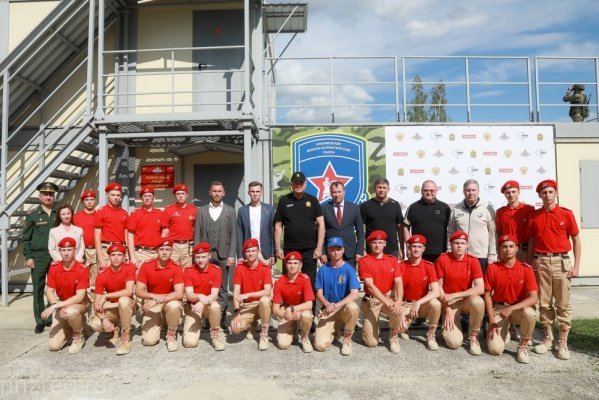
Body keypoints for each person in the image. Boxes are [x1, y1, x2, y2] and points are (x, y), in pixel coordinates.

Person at [528, 179, 581, 360]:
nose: (547, 195)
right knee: (544, 303)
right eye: (544, 193)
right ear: (540, 195)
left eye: (551, 192)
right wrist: (530, 264)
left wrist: (576, 266)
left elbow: (576, 240)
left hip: (560, 261)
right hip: (540, 261)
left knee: (563, 304)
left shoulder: (566, 214)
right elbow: (532, 241)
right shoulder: (535, 216)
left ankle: (563, 342)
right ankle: (548, 338)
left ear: (556, 193)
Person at [484, 234, 538, 364]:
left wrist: (512, 308)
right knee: (495, 350)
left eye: (511, 246)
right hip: (499, 310)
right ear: (500, 249)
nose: (508, 249)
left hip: (518, 309)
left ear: (517, 248)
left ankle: (522, 346)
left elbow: (534, 298)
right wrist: (491, 320)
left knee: (530, 313)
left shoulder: (526, 269)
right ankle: (505, 330)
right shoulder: (493, 268)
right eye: (504, 247)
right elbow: (487, 295)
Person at [194, 181, 237, 330]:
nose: (217, 193)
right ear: (209, 193)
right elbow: (197, 233)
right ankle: (207, 317)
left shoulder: (230, 211)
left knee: (223, 287)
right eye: (214, 191)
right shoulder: (202, 211)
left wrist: (231, 255)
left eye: (219, 191)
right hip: (205, 255)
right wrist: (197, 254)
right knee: (206, 285)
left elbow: (233, 235)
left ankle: (222, 316)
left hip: (223, 254)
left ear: (223, 193)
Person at [435, 231, 485, 355]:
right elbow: (438, 288)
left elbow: (480, 288)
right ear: (451, 244)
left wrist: (456, 294)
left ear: (467, 245)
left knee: (478, 301)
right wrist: (447, 310)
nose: (459, 246)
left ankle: (473, 337)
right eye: (456, 243)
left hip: (465, 300)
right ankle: (453, 327)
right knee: (454, 343)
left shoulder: (473, 261)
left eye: (462, 243)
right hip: (449, 303)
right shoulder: (443, 259)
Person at [358, 230, 407, 354]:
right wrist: (388, 302)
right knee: (371, 343)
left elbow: (399, 282)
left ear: (385, 244)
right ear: (370, 244)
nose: (377, 245)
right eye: (374, 242)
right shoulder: (364, 261)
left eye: (380, 242)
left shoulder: (392, 260)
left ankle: (393, 336)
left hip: (388, 296)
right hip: (372, 300)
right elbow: (370, 286)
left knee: (397, 310)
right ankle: (371, 326)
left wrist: (398, 302)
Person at [274, 171, 325, 287]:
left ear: (305, 184)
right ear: (291, 185)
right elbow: (278, 225)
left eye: (301, 183)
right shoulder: (284, 201)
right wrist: (278, 248)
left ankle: (309, 300)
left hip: (310, 250)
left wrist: (319, 248)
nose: (298, 185)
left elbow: (321, 225)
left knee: (309, 282)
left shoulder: (313, 200)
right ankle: (288, 300)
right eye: (295, 183)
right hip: (290, 249)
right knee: (288, 282)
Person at [41, 237, 90, 353]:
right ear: (59, 251)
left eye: (69, 249)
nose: (66, 253)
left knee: (71, 311)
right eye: (63, 250)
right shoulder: (54, 267)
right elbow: (49, 291)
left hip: (80, 303)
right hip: (61, 303)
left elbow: (79, 296)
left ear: (75, 250)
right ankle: (72, 328)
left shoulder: (82, 269)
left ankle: (79, 335)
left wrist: (55, 306)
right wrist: (57, 305)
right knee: (53, 346)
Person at [313, 237, 360, 356]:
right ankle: (334, 330)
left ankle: (347, 339)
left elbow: (354, 294)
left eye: (338, 249)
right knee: (319, 346)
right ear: (328, 251)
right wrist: (327, 304)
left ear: (343, 250)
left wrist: (335, 305)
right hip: (328, 309)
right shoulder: (323, 270)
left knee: (353, 307)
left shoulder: (349, 269)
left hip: (343, 308)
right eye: (332, 249)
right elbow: (319, 293)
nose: (335, 252)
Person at [135, 239, 184, 352]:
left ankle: (171, 334)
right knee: (148, 341)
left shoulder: (176, 267)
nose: (164, 252)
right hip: (153, 302)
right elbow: (138, 291)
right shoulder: (147, 265)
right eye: (161, 249)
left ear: (171, 251)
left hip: (169, 301)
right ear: (157, 251)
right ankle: (162, 321)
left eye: (167, 249)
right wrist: (153, 297)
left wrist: (157, 300)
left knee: (174, 306)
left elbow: (179, 293)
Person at [23, 181, 58, 334]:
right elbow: (26, 238)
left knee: (54, 288)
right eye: (45, 194)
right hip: (39, 256)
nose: (48, 197)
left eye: (51, 194)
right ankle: (40, 321)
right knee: (38, 288)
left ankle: (51, 317)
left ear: (54, 196)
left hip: (56, 255)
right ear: (40, 197)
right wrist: (28, 257)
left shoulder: (59, 213)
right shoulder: (32, 216)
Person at [88, 244, 136, 355]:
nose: (116, 258)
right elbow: (96, 304)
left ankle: (126, 337)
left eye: (119, 255)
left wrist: (106, 296)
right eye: (113, 255)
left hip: (128, 305)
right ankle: (114, 329)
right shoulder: (102, 275)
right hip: (113, 306)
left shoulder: (129, 268)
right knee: (95, 323)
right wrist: (104, 319)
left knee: (123, 300)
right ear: (109, 257)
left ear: (124, 257)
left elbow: (129, 291)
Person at [398, 234, 442, 351]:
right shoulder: (401, 266)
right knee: (399, 327)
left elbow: (436, 291)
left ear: (423, 249)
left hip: (422, 304)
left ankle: (431, 335)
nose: (416, 249)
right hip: (405, 304)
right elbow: (395, 292)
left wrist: (418, 303)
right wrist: (400, 314)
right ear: (409, 248)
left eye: (419, 246)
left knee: (436, 304)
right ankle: (404, 328)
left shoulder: (429, 266)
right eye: (414, 246)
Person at [230, 239, 273, 351]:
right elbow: (236, 292)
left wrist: (248, 295)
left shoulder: (265, 268)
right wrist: (237, 312)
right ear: (245, 253)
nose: (251, 253)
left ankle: (264, 333)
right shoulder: (240, 268)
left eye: (253, 250)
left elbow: (267, 291)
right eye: (248, 251)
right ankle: (252, 324)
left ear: (258, 251)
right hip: (247, 306)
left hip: (260, 305)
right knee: (235, 328)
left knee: (265, 300)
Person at [182, 242, 225, 351]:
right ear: (194, 257)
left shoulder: (216, 270)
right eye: (198, 257)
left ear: (209, 256)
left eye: (203, 257)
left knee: (215, 306)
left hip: (207, 305)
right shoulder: (188, 271)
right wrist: (199, 296)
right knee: (190, 343)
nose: (200, 260)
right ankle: (196, 326)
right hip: (193, 307)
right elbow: (189, 295)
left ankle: (215, 334)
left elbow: (214, 295)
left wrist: (202, 302)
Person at [448, 179, 497, 273]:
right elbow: (451, 232)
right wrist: (450, 250)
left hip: (481, 256)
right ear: (463, 191)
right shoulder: (456, 209)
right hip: (460, 255)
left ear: (478, 191)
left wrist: (492, 255)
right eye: (468, 190)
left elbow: (493, 233)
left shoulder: (487, 208)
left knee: (481, 282)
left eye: (473, 190)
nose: (471, 193)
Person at [272, 251, 315, 353]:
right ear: (285, 265)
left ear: (301, 265)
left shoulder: (305, 279)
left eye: (295, 263)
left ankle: (304, 337)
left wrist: (292, 308)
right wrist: (288, 315)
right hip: (287, 311)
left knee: (306, 315)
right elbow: (275, 309)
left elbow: (309, 304)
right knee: (282, 344)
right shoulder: (279, 282)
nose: (292, 266)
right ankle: (293, 328)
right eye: (289, 263)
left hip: (301, 309)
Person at [402, 180, 450, 263]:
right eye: (426, 190)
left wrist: (449, 248)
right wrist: (408, 246)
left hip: (440, 252)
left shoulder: (445, 207)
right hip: (418, 252)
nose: (429, 193)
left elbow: (452, 229)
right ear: (421, 191)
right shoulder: (413, 207)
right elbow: (405, 227)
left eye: (432, 190)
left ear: (436, 191)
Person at [321, 181, 364, 268]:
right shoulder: (324, 208)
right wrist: (322, 252)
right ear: (330, 193)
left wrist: (359, 251)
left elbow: (360, 231)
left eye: (339, 192)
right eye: (334, 192)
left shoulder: (354, 208)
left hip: (350, 252)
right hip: (331, 252)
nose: (337, 195)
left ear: (344, 192)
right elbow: (319, 232)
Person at [360, 178, 404, 259]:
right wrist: (362, 248)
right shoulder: (366, 205)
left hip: (392, 249)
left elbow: (400, 229)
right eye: (379, 187)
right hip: (372, 249)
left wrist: (401, 248)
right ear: (374, 189)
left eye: (384, 187)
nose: (381, 190)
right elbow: (361, 229)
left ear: (388, 189)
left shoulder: (395, 205)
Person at [236, 181, 275, 266]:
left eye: (257, 191)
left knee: (266, 274)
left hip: (265, 253)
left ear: (261, 193)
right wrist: (239, 255)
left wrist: (272, 253)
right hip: (248, 252)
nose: (255, 194)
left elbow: (272, 232)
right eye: (252, 191)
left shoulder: (269, 209)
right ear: (248, 193)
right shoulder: (242, 211)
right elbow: (239, 234)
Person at [94, 182, 129, 271]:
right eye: (113, 195)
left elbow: (126, 235)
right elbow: (97, 236)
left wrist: (127, 254)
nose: (115, 197)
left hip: (121, 249)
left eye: (118, 195)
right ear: (107, 195)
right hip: (106, 250)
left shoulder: (124, 213)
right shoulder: (101, 212)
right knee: (104, 276)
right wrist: (100, 258)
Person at [126, 186, 163, 269]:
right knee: (140, 277)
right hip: (141, 254)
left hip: (157, 253)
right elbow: (130, 236)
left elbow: (164, 233)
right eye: (145, 196)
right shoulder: (135, 214)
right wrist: (132, 257)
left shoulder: (160, 213)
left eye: (149, 196)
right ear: (141, 198)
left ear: (154, 198)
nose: (147, 198)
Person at [161, 184, 197, 268]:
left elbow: (196, 229)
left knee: (187, 270)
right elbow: (165, 232)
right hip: (173, 245)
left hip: (188, 246)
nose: (180, 196)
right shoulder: (168, 210)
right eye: (178, 194)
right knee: (172, 269)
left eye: (183, 193)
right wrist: (164, 248)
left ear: (187, 195)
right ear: (175, 195)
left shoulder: (194, 210)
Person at [73, 190, 99, 287]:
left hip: (96, 250)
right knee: (82, 275)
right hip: (82, 250)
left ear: (95, 201)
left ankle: (93, 295)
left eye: (91, 199)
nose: (89, 202)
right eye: (86, 200)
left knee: (96, 277)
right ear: (83, 202)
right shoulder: (76, 217)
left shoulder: (100, 215)